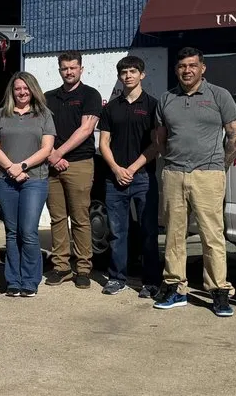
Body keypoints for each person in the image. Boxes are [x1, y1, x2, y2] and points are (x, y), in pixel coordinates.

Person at [153, 47, 236, 317]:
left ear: (203, 68)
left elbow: (235, 137)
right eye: (182, 66)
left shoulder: (219, 95)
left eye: (193, 65)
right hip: (174, 173)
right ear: (176, 69)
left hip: (209, 174)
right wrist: (171, 162)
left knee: (212, 235)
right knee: (173, 235)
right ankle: (175, 287)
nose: (187, 70)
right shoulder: (167, 99)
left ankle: (219, 291)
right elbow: (159, 138)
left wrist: (220, 167)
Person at [98, 56, 161, 297]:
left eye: (133, 71)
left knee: (148, 232)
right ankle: (117, 278)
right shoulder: (111, 108)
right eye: (124, 72)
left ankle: (151, 282)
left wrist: (132, 169)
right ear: (119, 76)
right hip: (114, 179)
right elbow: (103, 143)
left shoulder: (154, 105)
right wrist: (116, 169)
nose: (128, 76)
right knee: (117, 232)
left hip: (143, 177)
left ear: (142, 75)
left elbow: (156, 145)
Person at [0, 72, 56, 297]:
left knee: (28, 231)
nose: (22, 92)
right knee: (11, 232)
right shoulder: (1, 114)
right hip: (5, 181)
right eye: (18, 88)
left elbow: (47, 149)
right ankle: (13, 281)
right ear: (12, 91)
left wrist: (22, 166)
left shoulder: (44, 115)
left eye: (26, 88)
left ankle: (30, 280)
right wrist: (11, 168)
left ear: (33, 90)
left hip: (34, 180)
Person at [43, 50, 103, 289]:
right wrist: (51, 156)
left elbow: (86, 130)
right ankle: (61, 266)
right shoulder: (48, 97)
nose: (69, 72)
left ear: (81, 69)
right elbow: (41, 129)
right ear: (59, 70)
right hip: (51, 165)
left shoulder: (90, 95)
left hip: (79, 164)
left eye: (73, 68)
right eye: (64, 68)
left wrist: (60, 152)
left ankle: (83, 268)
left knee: (80, 218)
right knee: (57, 218)